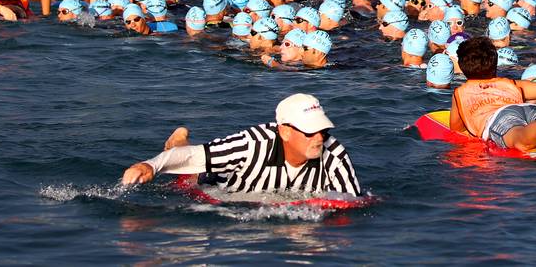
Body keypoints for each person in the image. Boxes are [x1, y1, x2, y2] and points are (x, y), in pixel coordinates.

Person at [121, 93, 363, 197]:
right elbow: (196, 156)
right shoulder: (251, 144)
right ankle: (179, 139)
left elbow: (353, 202)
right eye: (310, 131)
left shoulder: (334, 154)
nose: (319, 137)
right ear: (285, 131)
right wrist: (149, 166)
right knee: (192, 176)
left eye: (323, 129)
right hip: (224, 186)